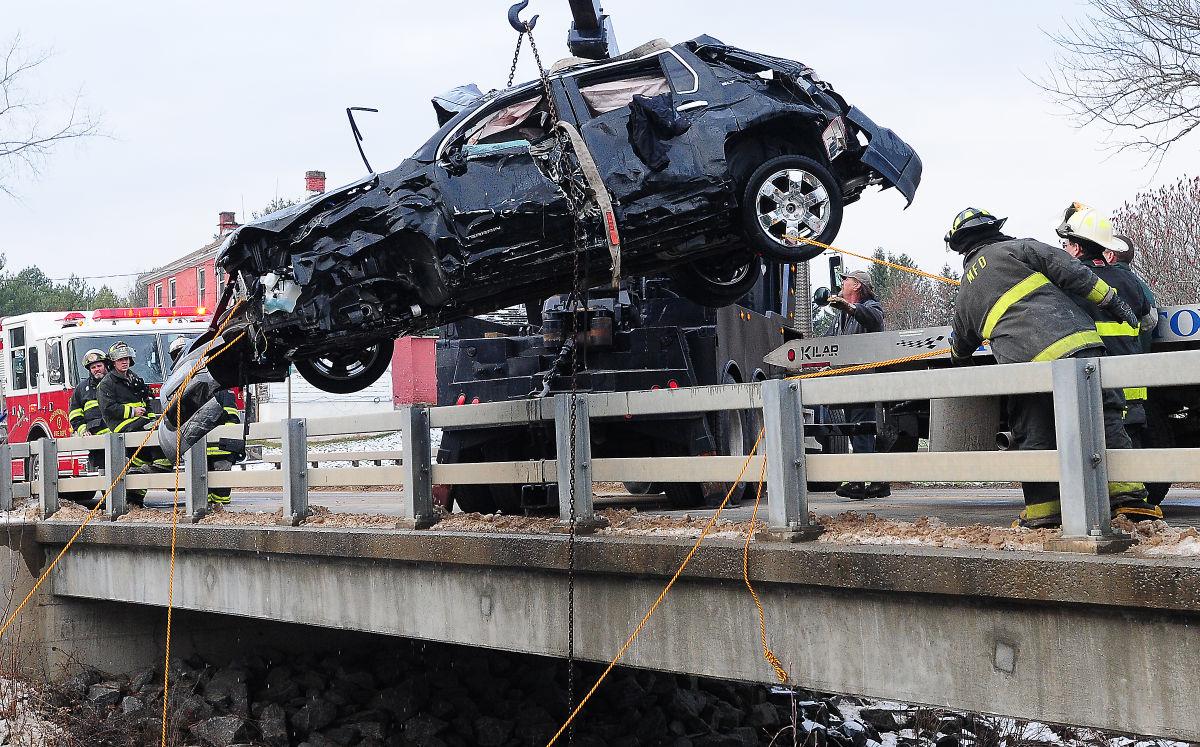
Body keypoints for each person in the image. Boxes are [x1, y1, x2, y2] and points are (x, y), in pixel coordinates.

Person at [944, 207, 1160, 528]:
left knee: (1034, 434)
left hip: (1026, 370)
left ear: (961, 246)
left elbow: (960, 348)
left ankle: (1044, 514)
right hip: (1078, 345)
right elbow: (1073, 271)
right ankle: (1130, 502)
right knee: (1104, 416)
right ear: (995, 229)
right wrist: (1113, 302)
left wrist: (957, 356)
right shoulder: (1019, 248)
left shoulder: (965, 291)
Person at [1108, 233, 1173, 505]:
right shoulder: (1138, 285)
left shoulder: (1107, 283)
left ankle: (1131, 499)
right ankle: (1137, 496)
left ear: (1110, 255)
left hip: (1113, 377)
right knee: (1133, 432)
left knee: (1120, 436)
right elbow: (1148, 323)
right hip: (1134, 376)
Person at [828, 269, 890, 500]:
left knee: (861, 428)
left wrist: (847, 306)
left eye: (846, 280)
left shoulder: (872, 306)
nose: (842, 283)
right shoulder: (841, 317)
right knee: (859, 429)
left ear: (857, 285)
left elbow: (872, 318)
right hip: (848, 381)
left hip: (863, 380)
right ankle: (878, 482)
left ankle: (858, 481)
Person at [169, 336, 242, 506]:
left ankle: (219, 516)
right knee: (200, 490)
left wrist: (229, 438)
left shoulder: (213, 376)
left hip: (220, 446)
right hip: (197, 446)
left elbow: (231, 411)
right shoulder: (181, 384)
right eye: (177, 355)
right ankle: (206, 515)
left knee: (221, 489)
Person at [98, 341, 169, 504]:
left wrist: (151, 418)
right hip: (122, 426)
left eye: (127, 358)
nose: (125, 362)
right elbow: (108, 408)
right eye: (120, 359)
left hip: (141, 424)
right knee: (153, 450)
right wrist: (132, 412)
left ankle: (134, 500)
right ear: (113, 362)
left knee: (140, 462)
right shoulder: (107, 383)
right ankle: (159, 464)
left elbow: (147, 400)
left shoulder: (134, 378)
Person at [68, 348, 111, 473]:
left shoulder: (115, 383)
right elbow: (75, 413)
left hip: (116, 434)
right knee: (103, 471)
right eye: (93, 367)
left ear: (105, 365)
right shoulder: (81, 389)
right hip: (96, 438)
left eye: (99, 365)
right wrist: (83, 430)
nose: (96, 369)